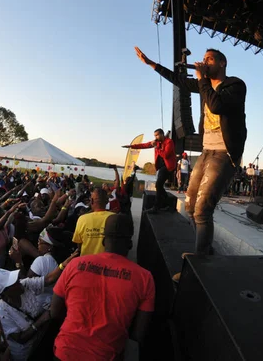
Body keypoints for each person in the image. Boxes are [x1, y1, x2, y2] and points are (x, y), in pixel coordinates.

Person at [134, 46, 247, 258]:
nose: (204, 62)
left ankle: (201, 260)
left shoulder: (236, 85)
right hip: (207, 151)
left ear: (222, 63)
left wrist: (202, 78)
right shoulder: (204, 85)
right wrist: (151, 64)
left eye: (210, 59)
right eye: (203, 59)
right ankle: (206, 252)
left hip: (224, 153)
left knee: (203, 208)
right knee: (191, 204)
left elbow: (215, 106)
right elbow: (178, 80)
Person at [51, 213, 155, 360]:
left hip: (64, 352)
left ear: (104, 241)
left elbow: (54, 312)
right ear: (130, 243)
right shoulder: (145, 278)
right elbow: (138, 335)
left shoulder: (75, 264)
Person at [123, 129, 175, 212]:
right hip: (161, 167)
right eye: (155, 135)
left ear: (162, 134)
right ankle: (168, 204)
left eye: (157, 135)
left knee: (158, 184)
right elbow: (144, 145)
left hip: (168, 166)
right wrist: (131, 146)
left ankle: (156, 207)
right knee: (159, 186)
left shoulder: (169, 142)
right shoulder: (156, 142)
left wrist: (156, 147)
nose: (156, 137)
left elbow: (165, 155)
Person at [72, 189, 114, 256]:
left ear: (91, 201)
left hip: (86, 262)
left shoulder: (82, 219)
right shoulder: (114, 218)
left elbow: (79, 243)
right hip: (106, 263)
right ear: (107, 201)